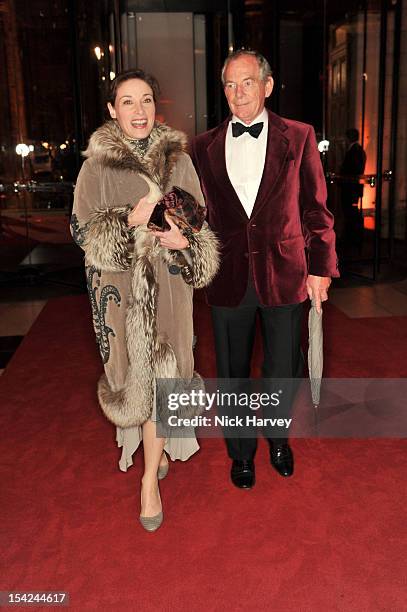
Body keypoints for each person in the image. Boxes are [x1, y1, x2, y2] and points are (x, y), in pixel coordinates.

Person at [70, 69, 219, 530]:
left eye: (147, 100)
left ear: (157, 106)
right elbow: (80, 230)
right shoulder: (96, 164)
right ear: (113, 110)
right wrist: (125, 220)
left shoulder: (179, 159)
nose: (139, 110)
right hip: (121, 294)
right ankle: (150, 461)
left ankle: (148, 485)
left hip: (171, 291)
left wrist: (186, 242)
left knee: (166, 378)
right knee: (136, 380)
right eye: (128, 102)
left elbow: (199, 217)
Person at [191, 49, 338, 489]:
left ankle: (278, 440)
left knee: (281, 370)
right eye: (230, 85)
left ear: (267, 86)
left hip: (287, 273)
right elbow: (196, 214)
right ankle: (241, 453)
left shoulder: (299, 136)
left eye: (247, 82)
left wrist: (321, 269)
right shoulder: (201, 146)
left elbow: (316, 208)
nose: (238, 94)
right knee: (232, 373)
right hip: (228, 278)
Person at [339, 128, 367, 247]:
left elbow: (354, 170)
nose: (344, 140)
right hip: (351, 187)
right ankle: (352, 238)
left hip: (351, 188)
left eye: (346, 137)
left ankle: (353, 239)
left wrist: (342, 173)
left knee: (352, 213)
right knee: (350, 212)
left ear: (349, 137)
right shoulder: (355, 150)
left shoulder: (355, 151)